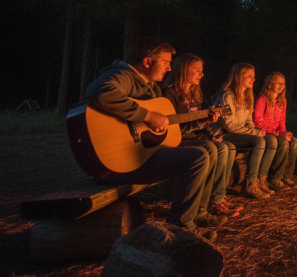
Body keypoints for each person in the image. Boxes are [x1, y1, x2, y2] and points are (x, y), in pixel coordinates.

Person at [84, 38, 217, 232]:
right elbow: (100, 91)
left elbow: (162, 124)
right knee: (197, 157)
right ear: (147, 62)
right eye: (165, 63)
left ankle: (199, 213)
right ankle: (180, 228)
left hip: (143, 151)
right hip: (120, 161)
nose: (169, 69)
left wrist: (194, 122)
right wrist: (147, 115)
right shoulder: (123, 76)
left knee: (210, 148)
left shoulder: (151, 88)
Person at [162, 53, 242, 219]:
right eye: (197, 70)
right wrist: (201, 128)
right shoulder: (169, 94)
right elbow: (173, 130)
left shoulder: (194, 94)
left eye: (202, 71)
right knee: (216, 148)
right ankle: (207, 205)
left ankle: (216, 198)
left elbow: (196, 123)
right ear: (183, 71)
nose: (202, 74)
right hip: (176, 141)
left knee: (228, 146)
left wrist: (208, 131)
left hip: (191, 137)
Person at [213, 63, 276, 200]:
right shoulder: (227, 96)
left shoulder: (247, 96)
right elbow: (229, 125)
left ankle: (260, 180)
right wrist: (254, 133)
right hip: (223, 134)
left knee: (270, 140)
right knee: (258, 140)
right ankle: (249, 184)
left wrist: (255, 130)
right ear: (238, 77)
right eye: (249, 76)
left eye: (253, 76)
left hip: (238, 134)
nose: (253, 79)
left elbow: (248, 121)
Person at [254, 72, 297, 190]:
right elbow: (258, 122)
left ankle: (286, 176)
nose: (281, 86)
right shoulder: (262, 99)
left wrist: (284, 133)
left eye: (283, 83)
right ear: (270, 84)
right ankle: (275, 177)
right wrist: (279, 134)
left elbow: (281, 122)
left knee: (294, 142)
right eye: (278, 83)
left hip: (276, 133)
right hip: (265, 132)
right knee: (282, 142)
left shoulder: (282, 100)